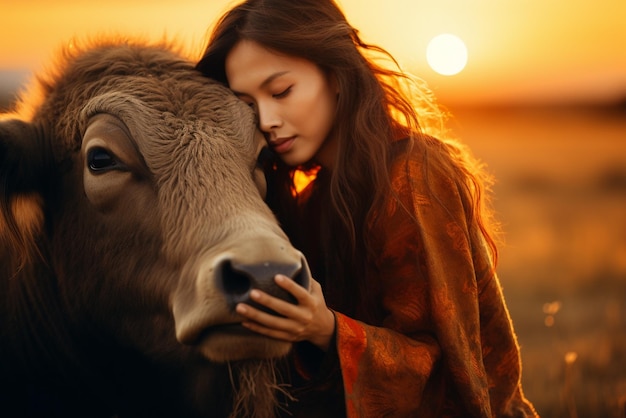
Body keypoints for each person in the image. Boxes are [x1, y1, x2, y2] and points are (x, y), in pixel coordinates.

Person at [197, 0, 539, 416]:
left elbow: (450, 372)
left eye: (281, 91)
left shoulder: (415, 175)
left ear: (336, 75)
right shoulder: (310, 195)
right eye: (248, 105)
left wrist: (327, 329)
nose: (267, 119)